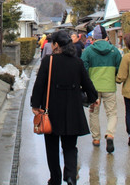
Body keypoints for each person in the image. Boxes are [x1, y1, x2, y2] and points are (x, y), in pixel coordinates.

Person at [31, 30, 98, 185]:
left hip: (51, 110)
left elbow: (39, 84)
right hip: (73, 111)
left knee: (52, 148)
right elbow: (88, 84)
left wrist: (35, 105)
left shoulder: (49, 61)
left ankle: (55, 179)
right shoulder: (77, 62)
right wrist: (94, 99)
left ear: (55, 45)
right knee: (70, 147)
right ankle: (70, 176)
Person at [81, 25, 122, 153]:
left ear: (93, 38)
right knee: (112, 113)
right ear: (106, 37)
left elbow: (83, 69)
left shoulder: (88, 51)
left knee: (94, 113)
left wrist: (86, 85)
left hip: (93, 88)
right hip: (109, 86)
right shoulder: (114, 51)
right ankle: (110, 134)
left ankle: (96, 138)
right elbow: (118, 67)